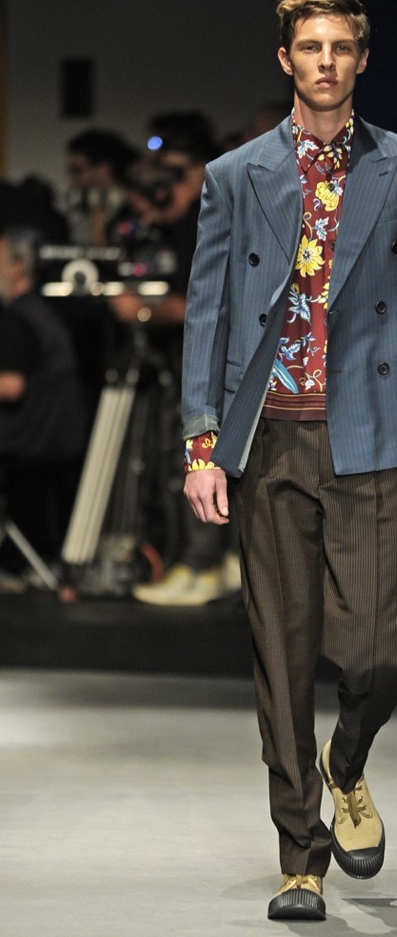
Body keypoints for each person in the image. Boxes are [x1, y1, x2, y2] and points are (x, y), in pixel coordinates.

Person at [182, 0, 397, 920]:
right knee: (282, 656)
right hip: (269, 435)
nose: (325, 61)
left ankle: (345, 763)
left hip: (373, 430)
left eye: (341, 46)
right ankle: (300, 859)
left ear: (361, 59)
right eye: (310, 46)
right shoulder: (236, 176)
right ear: (286, 60)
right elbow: (208, 314)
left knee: (383, 654)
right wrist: (201, 444)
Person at [108, 122, 239, 606]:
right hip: (195, 360)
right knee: (198, 459)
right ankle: (214, 562)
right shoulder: (178, 225)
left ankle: (204, 565)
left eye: (175, 175)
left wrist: (143, 310)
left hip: (212, 363)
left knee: (203, 457)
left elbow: (207, 306)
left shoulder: (207, 221)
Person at [0, 219, 88, 587]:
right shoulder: (43, 313)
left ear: (18, 265)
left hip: (28, 438)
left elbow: (11, 386)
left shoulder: (17, 317)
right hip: (55, 437)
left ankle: (12, 563)